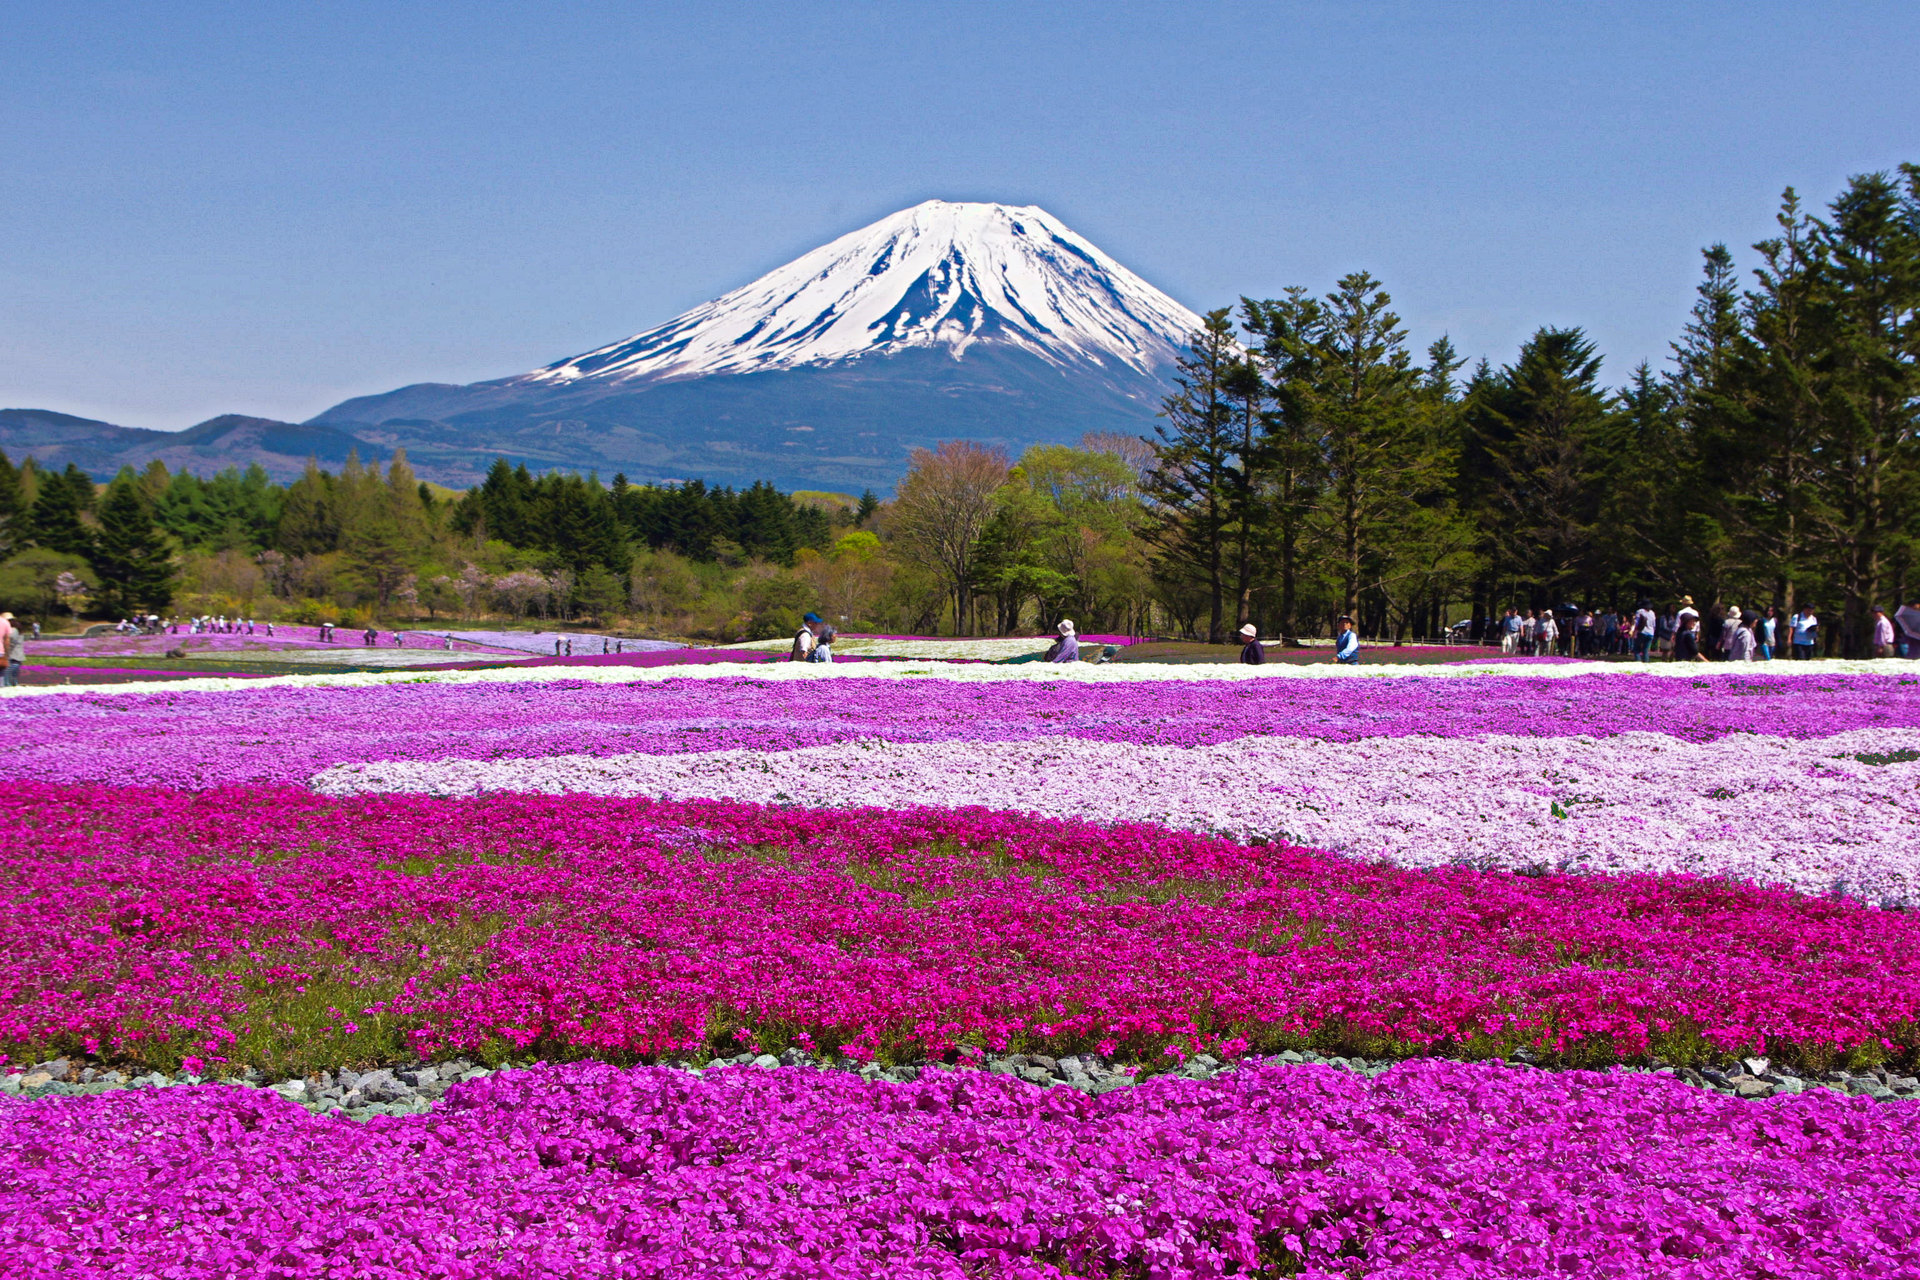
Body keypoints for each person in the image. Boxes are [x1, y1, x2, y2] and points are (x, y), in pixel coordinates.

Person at [1, 612, 21, 686]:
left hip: (13, 656)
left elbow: (9, 642)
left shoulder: (13, 630)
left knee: (7, 678)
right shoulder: (16, 629)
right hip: (11, 655)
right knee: (8, 677)